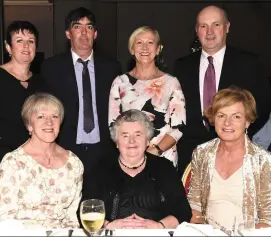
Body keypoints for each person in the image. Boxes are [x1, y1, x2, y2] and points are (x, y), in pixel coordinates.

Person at [173, 5, 271, 177]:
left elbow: (262, 106)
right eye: (203, 26)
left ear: (227, 27)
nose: (209, 32)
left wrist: (238, 136)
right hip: (191, 159)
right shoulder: (181, 67)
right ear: (197, 30)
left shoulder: (249, 64)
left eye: (216, 25)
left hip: (236, 156)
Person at [41, 7, 121, 180]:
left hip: (104, 150)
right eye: (77, 26)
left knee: (101, 204)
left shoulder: (112, 68)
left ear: (95, 34)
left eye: (89, 27)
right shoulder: (51, 68)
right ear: (68, 33)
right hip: (65, 149)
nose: (84, 32)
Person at [0, 20, 42, 227]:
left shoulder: (42, 82)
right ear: (8, 47)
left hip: (34, 163)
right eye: (20, 41)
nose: (26, 46)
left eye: (31, 41)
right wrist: (27, 146)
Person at [83, 109, 191, 229]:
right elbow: (85, 210)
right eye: (125, 136)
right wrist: (108, 225)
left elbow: (183, 212)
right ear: (117, 142)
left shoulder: (165, 168)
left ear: (148, 140)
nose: (131, 141)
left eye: (138, 135)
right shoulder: (99, 169)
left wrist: (159, 226)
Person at [188, 88, 271, 232]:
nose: (227, 123)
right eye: (221, 116)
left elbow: (267, 218)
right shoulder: (201, 153)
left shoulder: (263, 160)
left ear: (247, 121)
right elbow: (195, 206)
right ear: (214, 119)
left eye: (236, 116)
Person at [0, 93, 84, 229]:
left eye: (55, 116)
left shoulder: (73, 163)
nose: (49, 122)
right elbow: (6, 219)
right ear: (29, 125)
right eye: (41, 116)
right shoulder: (13, 162)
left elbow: (72, 217)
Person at [109, 26, 185, 167]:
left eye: (150, 42)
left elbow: (178, 128)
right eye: (139, 43)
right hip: (130, 159)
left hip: (164, 157)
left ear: (157, 49)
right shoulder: (119, 83)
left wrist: (154, 151)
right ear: (132, 49)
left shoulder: (171, 83)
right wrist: (134, 154)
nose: (145, 47)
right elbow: (113, 126)